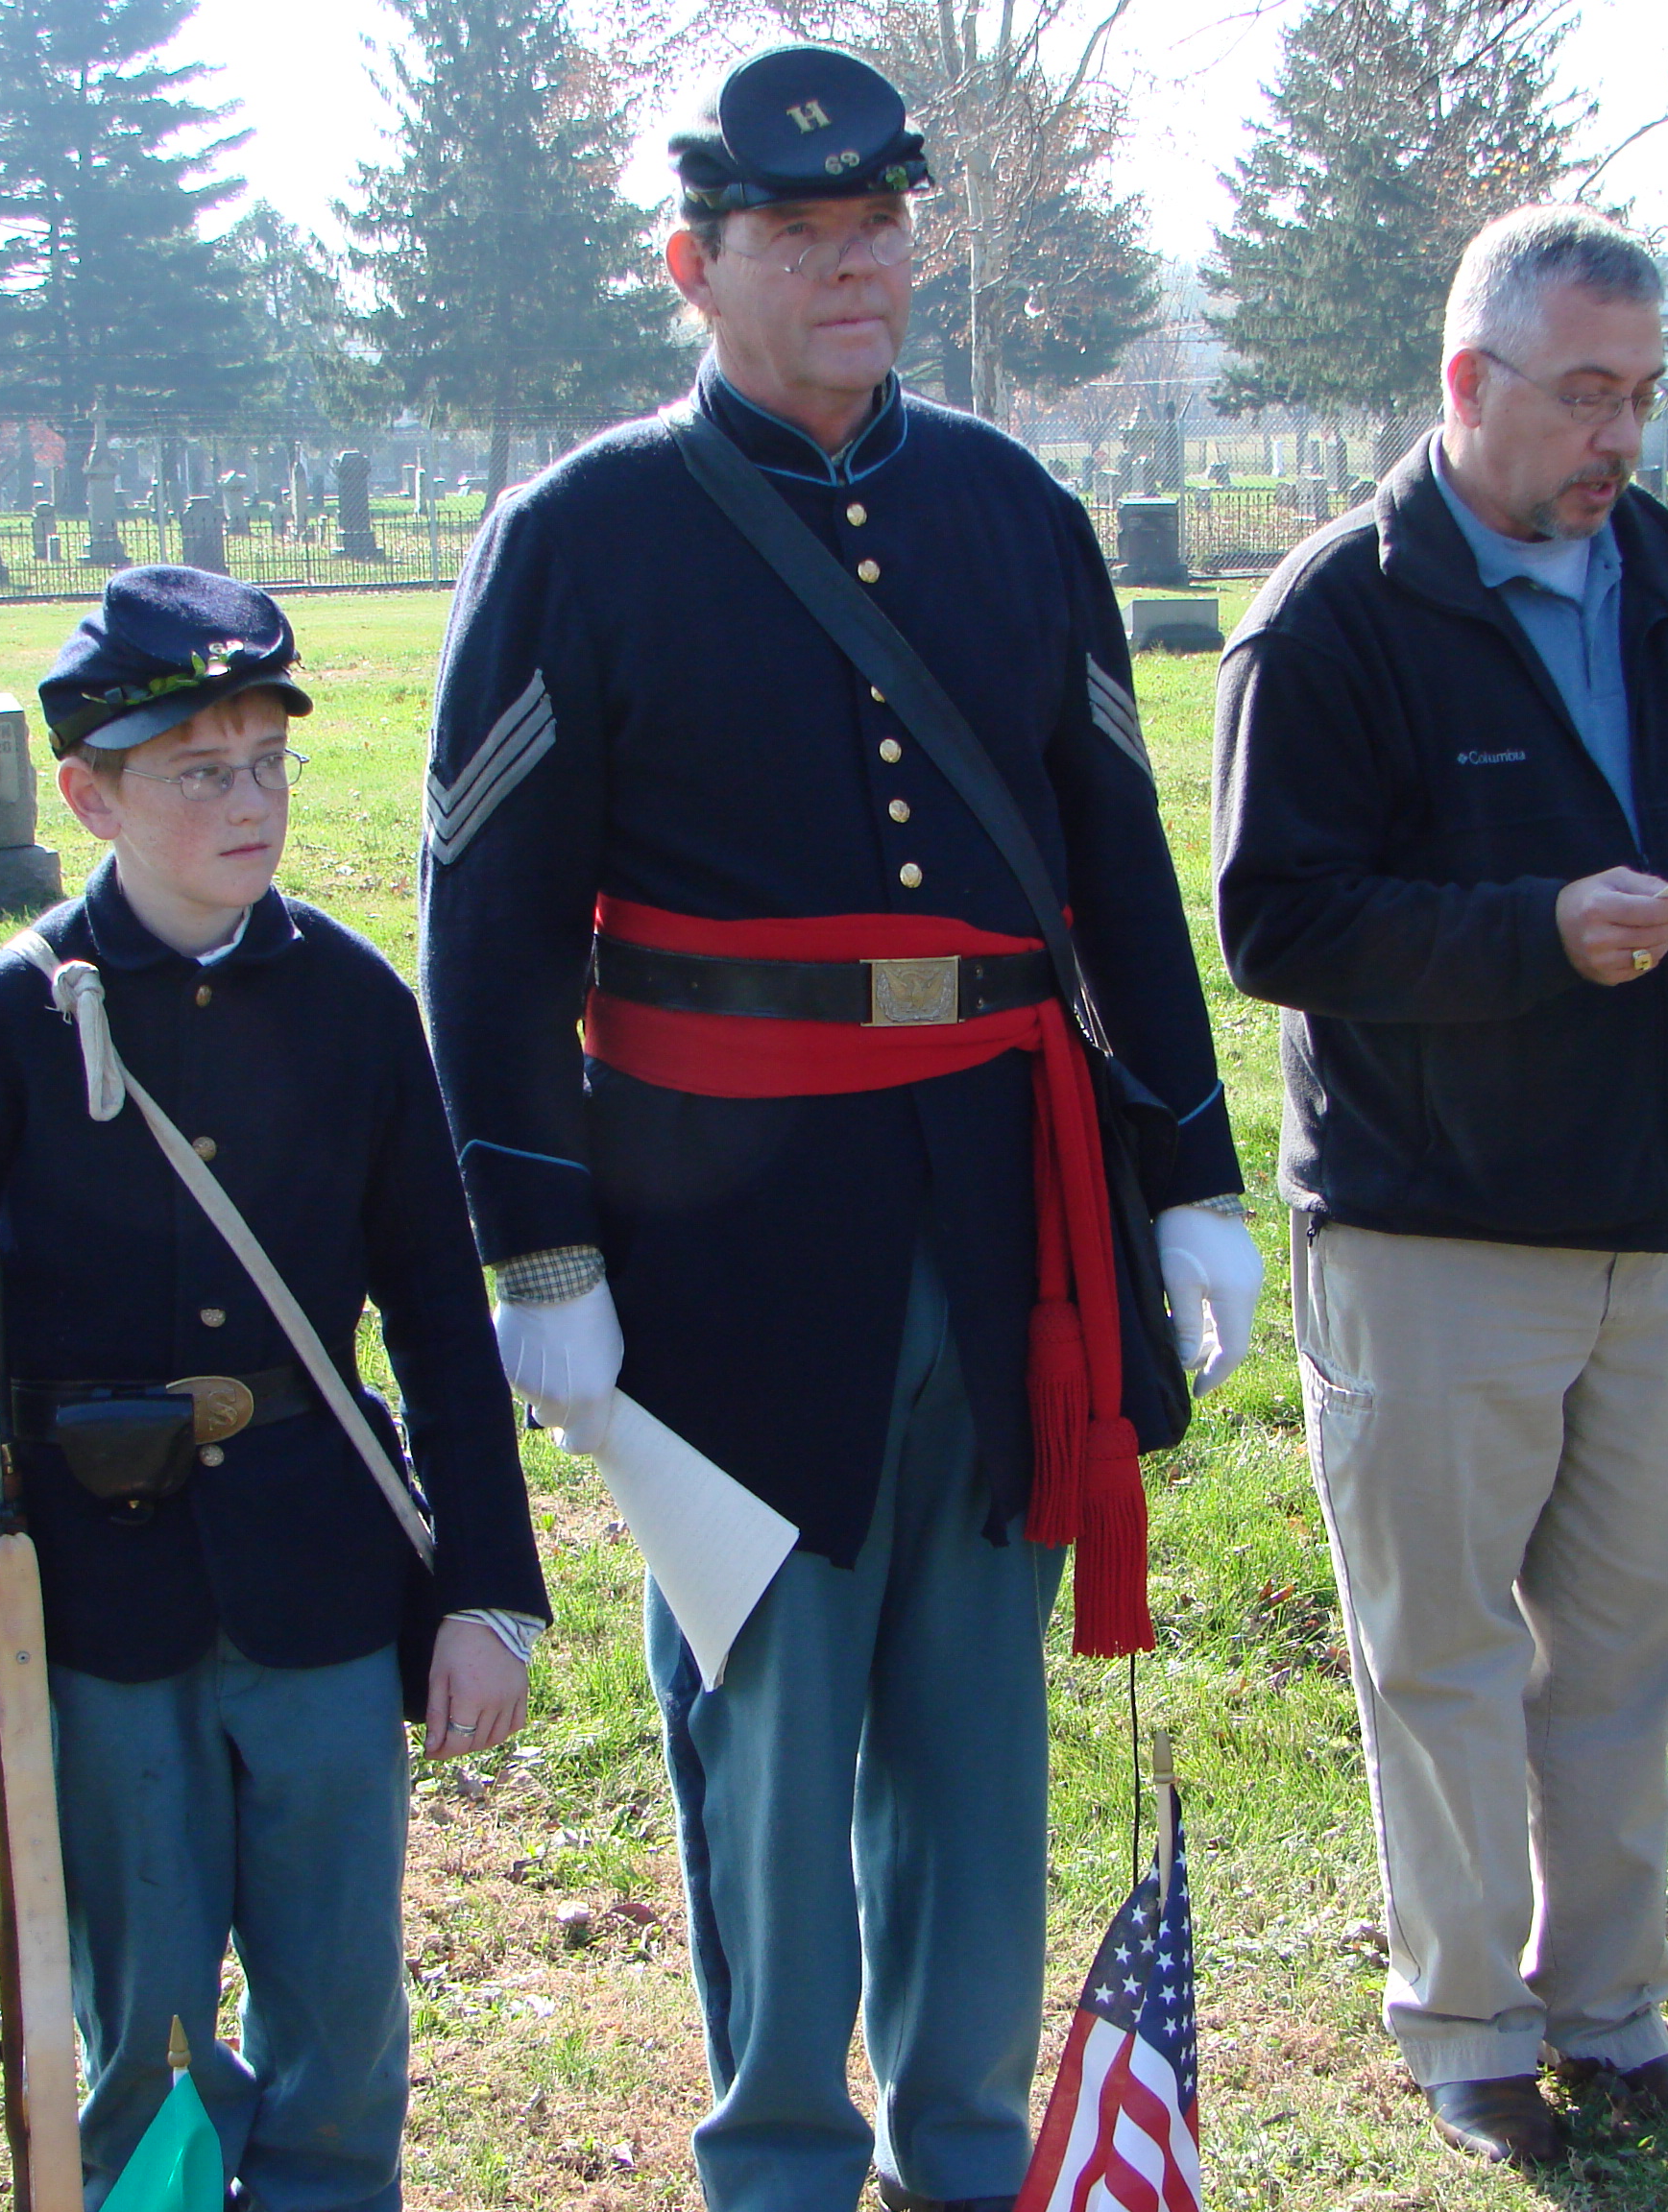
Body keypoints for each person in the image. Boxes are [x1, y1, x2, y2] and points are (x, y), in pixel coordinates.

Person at [416, 46, 1262, 2212]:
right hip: (720, 1236)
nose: (852, 268)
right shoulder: (578, 537)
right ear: (693, 265)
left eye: (878, 227)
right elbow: (490, 934)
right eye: (798, 236)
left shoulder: (1014, 512)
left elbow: (1115, 866)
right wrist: (540, 1253)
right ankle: (782, 2155)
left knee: (976, 1721)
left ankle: (961, 2147)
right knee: (773, 1724)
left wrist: (1189, 1171)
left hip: (1000, 1203)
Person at [1211, 206, 1668, 2166]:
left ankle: (1612, 2012)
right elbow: (1277, 918)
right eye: (1587, 394)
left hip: (1663, 1218)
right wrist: (1533, 932)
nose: (1621, 437)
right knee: (1444, 1657)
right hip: (1436, 1231)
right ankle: (1468, 2029)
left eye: (1643, 395)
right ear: (1468, 382)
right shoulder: (1335, 618)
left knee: (1627, 1648)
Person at [0, 566, 550, 2212]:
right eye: (198, 771)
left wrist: (488, 1595)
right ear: (90, 796)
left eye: (268, 762)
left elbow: (441, 1318)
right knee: (142, 2026)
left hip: (320, 1577)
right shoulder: (11, 1018)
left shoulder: (353, 1000)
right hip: (97, 1599)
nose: (250, 803)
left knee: (343, 2014)